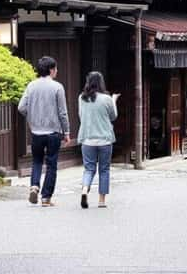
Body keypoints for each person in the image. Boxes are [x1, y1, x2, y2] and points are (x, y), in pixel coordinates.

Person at [17, 56, 70, 206]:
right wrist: (66, 132)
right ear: (51, 70)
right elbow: (63, 113)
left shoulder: (31, 86)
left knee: (37, 161)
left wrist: (32, 116)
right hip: (53, 132)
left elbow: (21, 107)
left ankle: (34, 185)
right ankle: (46, 198)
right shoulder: (58, 87)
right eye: (56, 69)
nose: (57, 71)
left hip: (36, 132)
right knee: (52, 164)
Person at [77, 71, 118, 209]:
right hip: (104, 140)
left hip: (87, 139)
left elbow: (81, 116)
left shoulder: (81, 98)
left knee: (89, 169)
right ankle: (101, 201)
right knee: (104, 170)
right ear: (101, 83)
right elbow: (113, 116)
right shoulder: (106, 99)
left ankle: (84, 190)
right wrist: (113, 100)